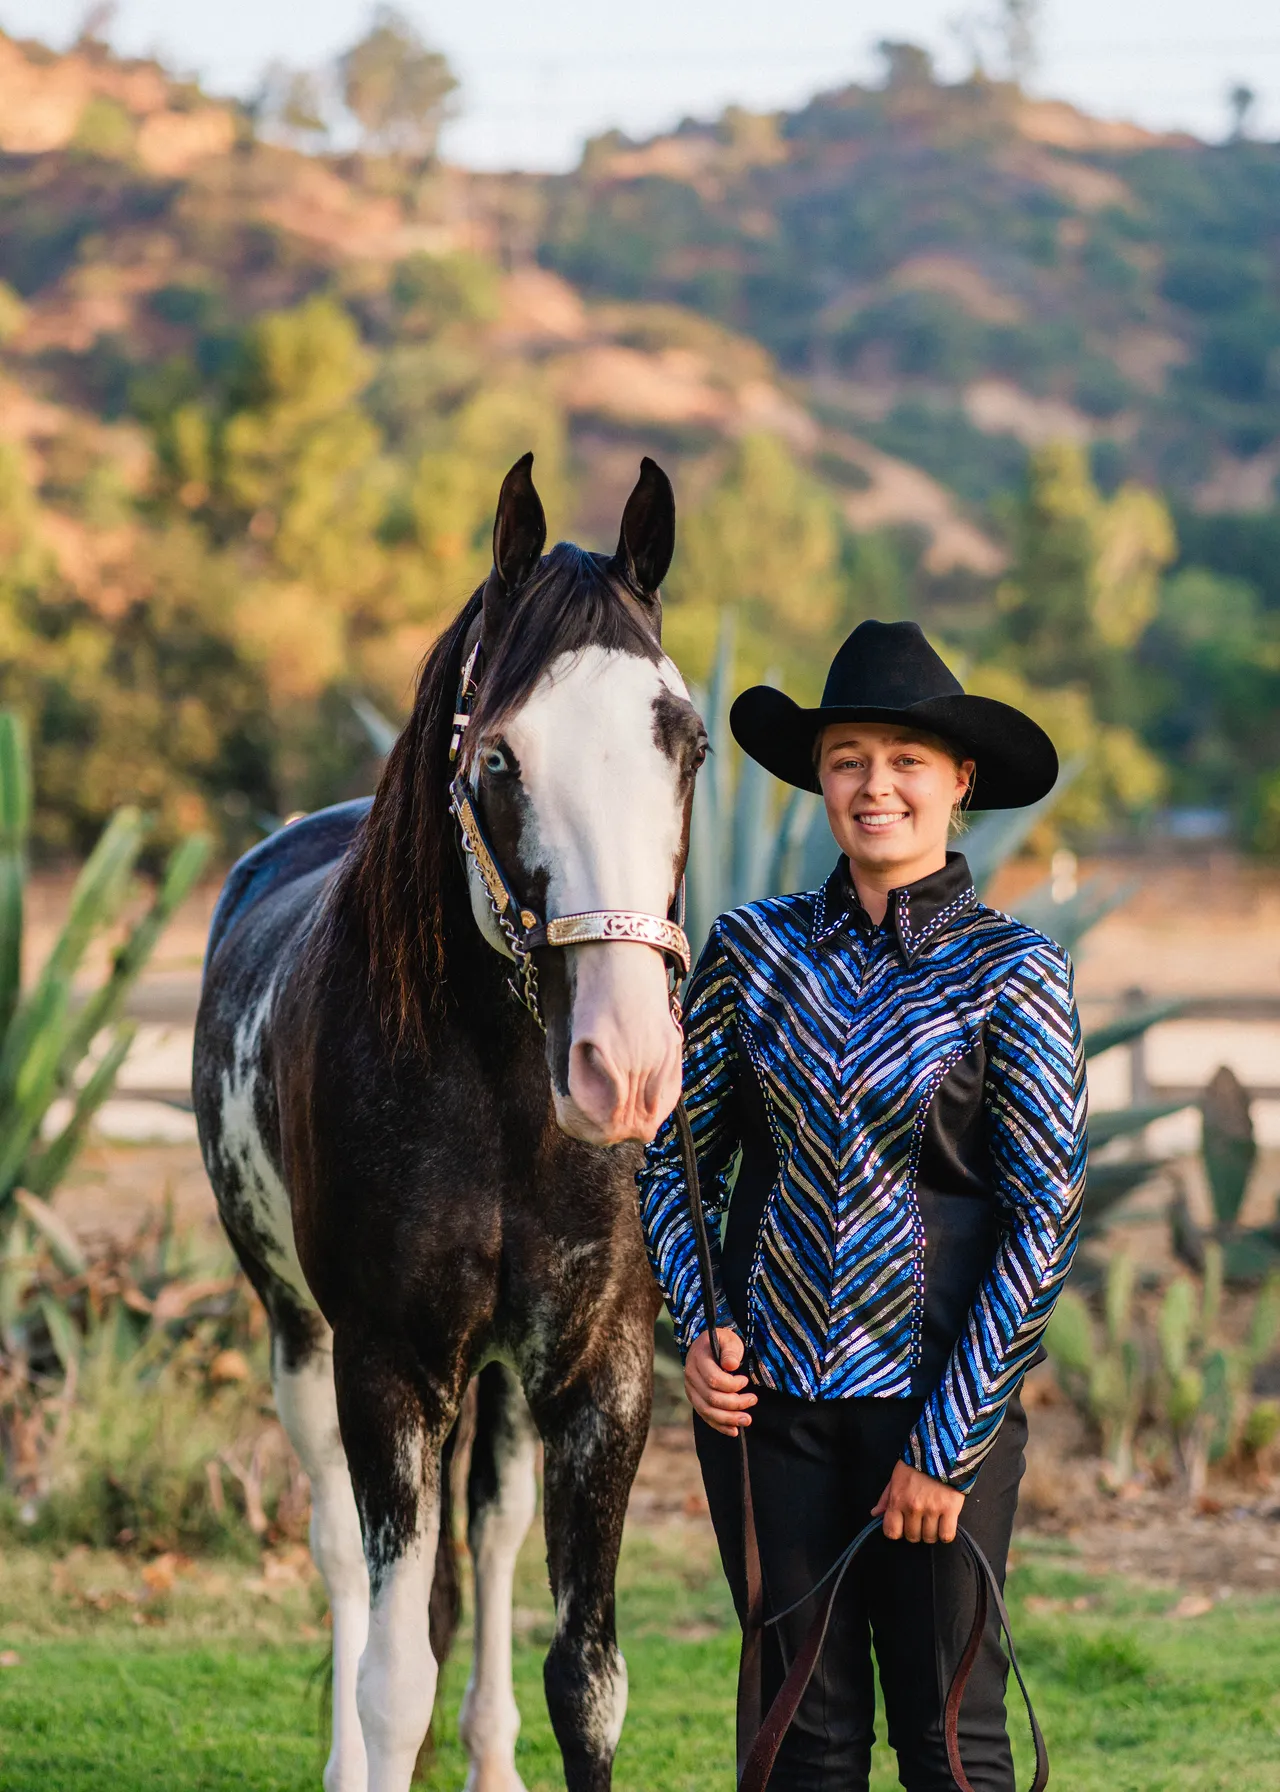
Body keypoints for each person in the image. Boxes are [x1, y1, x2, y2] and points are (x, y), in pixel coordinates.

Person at [639, 619, 1088, 1791]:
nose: (873, 784)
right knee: (798, 1744)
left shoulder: (1014, 970)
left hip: (938, 1410)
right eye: (846, 757)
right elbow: (674, 1165)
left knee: (950, 1747)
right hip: (767, 1414)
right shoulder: (751, 952)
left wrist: (944, 1448)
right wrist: (701, 1325)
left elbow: (1042, 1218)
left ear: (958, 782)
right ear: (818, 780)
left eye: (903, 758)